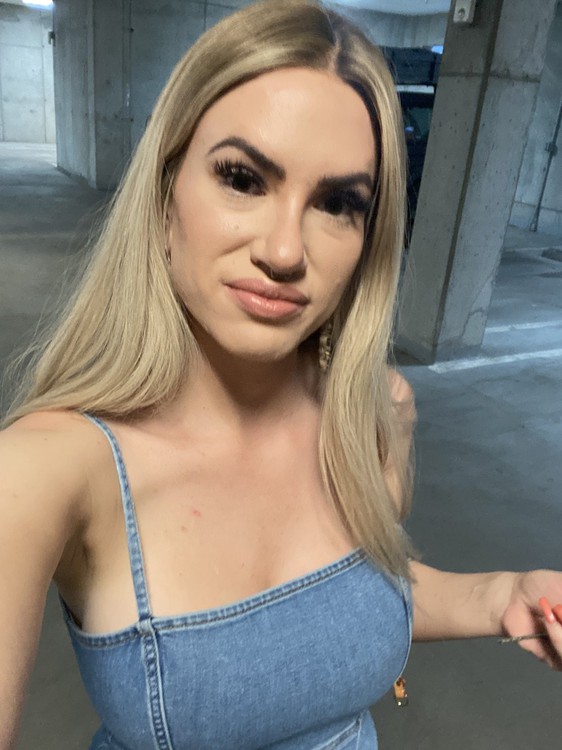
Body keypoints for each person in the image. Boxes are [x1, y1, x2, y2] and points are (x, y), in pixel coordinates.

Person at [1, 1, 561, 748]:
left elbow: (346, 607)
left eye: (338, 203)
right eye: (242, 178)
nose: (286, 250)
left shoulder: (373, 409)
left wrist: (501, 596)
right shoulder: (45, 470)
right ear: (164, 198)